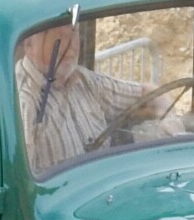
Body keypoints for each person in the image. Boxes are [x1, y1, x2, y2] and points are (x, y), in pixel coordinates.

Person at [16, 20, 182, 173]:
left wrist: (171, 121)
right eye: (60, 38)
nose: (71, 46)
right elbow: (23, 184)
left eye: (74, 34)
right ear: (30, 45)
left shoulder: (84, 81)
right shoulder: (22, 101)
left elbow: (150, 95)